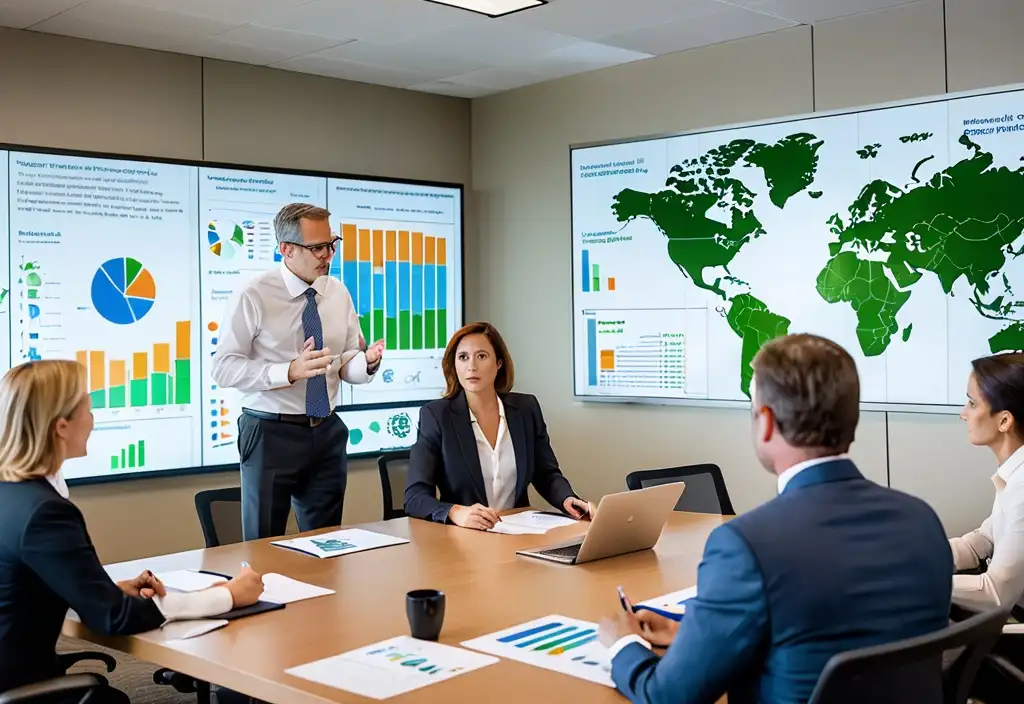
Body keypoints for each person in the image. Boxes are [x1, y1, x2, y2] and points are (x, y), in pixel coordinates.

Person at [598, 334, 953, 704]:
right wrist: (699, 634)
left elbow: (667, 697)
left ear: (765, 421)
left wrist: (623, 643)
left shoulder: (746, 545)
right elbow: (837, 625)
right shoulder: (921, 519)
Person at [0, 360, 265, 701]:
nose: (93, 420)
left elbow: (24, 584)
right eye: (88, 409)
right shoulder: (46, 512)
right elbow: (115, 619)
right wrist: (227, 596)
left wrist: (105, 588)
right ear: (61, 427)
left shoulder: (12, 493)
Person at [211, 203, 385, 540]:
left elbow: (344, 359)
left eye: (331, 244)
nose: (327, 255)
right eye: (316, 247)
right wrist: (289, 371)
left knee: (326, 545)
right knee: (264, 543)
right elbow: (223, 368)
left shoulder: (338, 293)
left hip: (327, 431)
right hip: (270, 432)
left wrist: (367, 363)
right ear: (286, 250)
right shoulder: (254, 294)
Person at [404, 322, 590, 528]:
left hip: (518, 532)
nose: (471, 366)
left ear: (499, 363)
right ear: (454, 364)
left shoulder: (526, 409)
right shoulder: (436, 415)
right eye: (463, 357)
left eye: (481, 356)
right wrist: (456, 512)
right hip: (463, 538)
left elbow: (546, 473)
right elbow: (415, 497)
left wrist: (567, 499)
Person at [949, 352, 1024, 615]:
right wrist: (924, 554)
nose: (963, 414)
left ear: (1004, 420)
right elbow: (982, 541)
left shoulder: (1022, 487)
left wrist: (921, 583)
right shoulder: (1013, 472)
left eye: (972, 404)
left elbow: (996, 593)